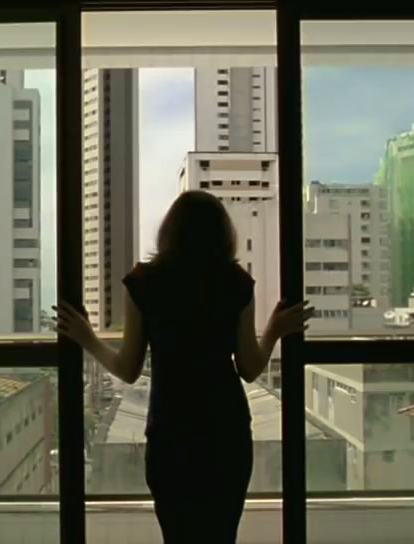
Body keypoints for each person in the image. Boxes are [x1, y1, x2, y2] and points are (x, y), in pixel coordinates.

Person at [54, 190, 312, 543]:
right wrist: (273, 331)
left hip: (172, 434)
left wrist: (87, 338)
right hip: (226, 433)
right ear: (223, 234)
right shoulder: (235, 282)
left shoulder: (145, 282)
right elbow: (250, 369)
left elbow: (128, 368)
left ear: (169, 231)